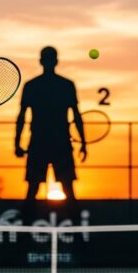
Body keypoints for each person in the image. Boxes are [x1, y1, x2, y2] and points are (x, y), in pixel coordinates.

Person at [14, 46, 86, 220]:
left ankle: (26, 231)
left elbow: (22, 116)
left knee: (33, 190)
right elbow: (76, 116)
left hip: (41, 143)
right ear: (56, 61)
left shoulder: (32, 86)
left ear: (41, 61)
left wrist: (17, 142)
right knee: (66, 190)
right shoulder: (66, 85)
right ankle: (77, 233)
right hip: (59, 143)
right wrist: (83, 142)